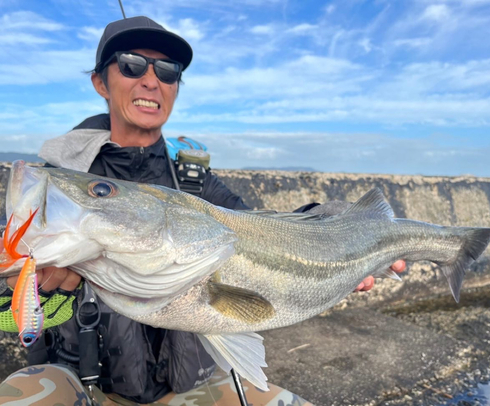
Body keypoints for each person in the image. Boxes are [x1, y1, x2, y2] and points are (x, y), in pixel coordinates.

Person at [0, 16, 405, 405]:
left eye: (168, 71)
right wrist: (47, 296)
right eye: (132, 64)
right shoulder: (61, 185)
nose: (151, 81)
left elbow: (257, 230)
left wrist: (335, 226)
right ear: (100, 82)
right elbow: (6, 318)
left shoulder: (194, 183)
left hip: (190, 389)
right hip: (86, 390)